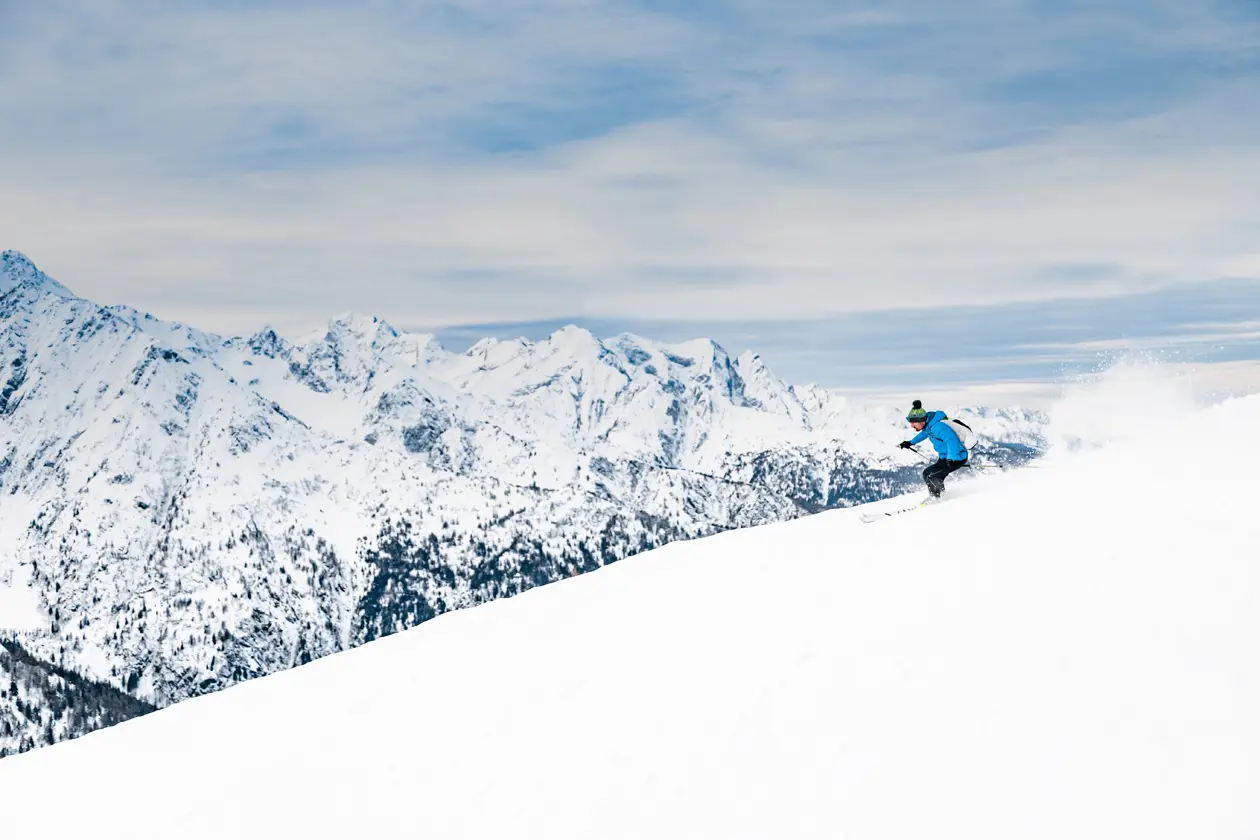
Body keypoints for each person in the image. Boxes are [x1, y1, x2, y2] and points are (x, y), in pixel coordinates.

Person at [899, 400, 968, 500]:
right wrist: (910, 442)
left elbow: (952, 440)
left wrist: (951, 458)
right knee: (929, 474)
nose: (912, 426)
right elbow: (923, 434)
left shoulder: (938, 427)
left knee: (931, 476)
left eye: (913, 423)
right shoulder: (929, 426)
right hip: (946, 457)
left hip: (956, 457)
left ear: (921, 420)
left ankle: (937, 499)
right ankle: (941, 495)